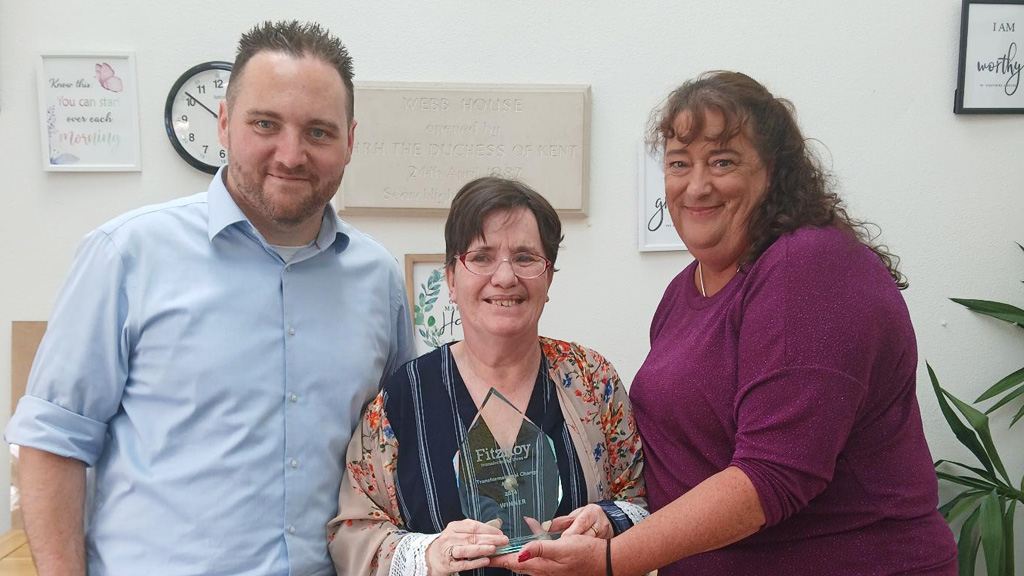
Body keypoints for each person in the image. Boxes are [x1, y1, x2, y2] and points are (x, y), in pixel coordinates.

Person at [5, 20, 415, 576]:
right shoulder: (125, 255)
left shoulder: (378, 278)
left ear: (349, 141)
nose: (291, 154)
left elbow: (394, 447)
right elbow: (54, 441)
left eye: (318, 132)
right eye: (265, 124)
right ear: (223, 123)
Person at [514, 71, 957, 575]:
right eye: (680, 164)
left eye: (722, 161)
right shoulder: (685, 291)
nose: (697, 185)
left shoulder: (809, 267)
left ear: (773, 171)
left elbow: (774, 474)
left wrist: (614, 561)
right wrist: (613, 520)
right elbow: (688, 465)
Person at [327, 176, 647, 576]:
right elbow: (354, 533)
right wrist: (429, 553)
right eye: (481, 257)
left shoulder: (591, 380)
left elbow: (640, 502)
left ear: (548, 279)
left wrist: (608, 521)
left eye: (526, 257)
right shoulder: (401, 400)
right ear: (450, 279)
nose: (505, 276)